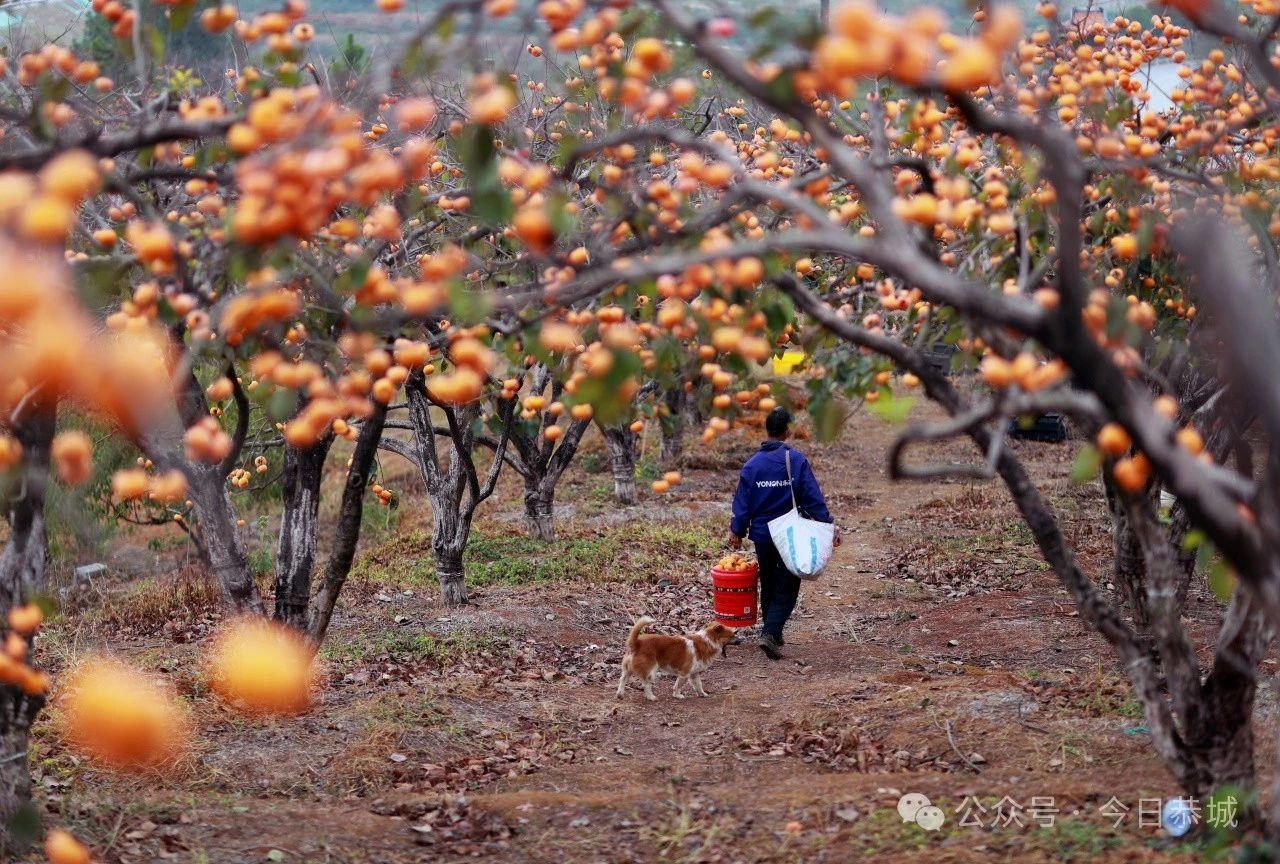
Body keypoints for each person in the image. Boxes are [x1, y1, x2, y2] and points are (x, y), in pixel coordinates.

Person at [729, 407, 838, 660]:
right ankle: (771, 631)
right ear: (787, 431)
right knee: (788, 584)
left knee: (768, 583)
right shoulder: (794, 460)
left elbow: (743, 503)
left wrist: (737, 531)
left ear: (767, 430)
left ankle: (772, 633)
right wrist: (827, 524)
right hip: (789, 534)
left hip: (763, 535)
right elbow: (811, 498)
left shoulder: (752, 465)